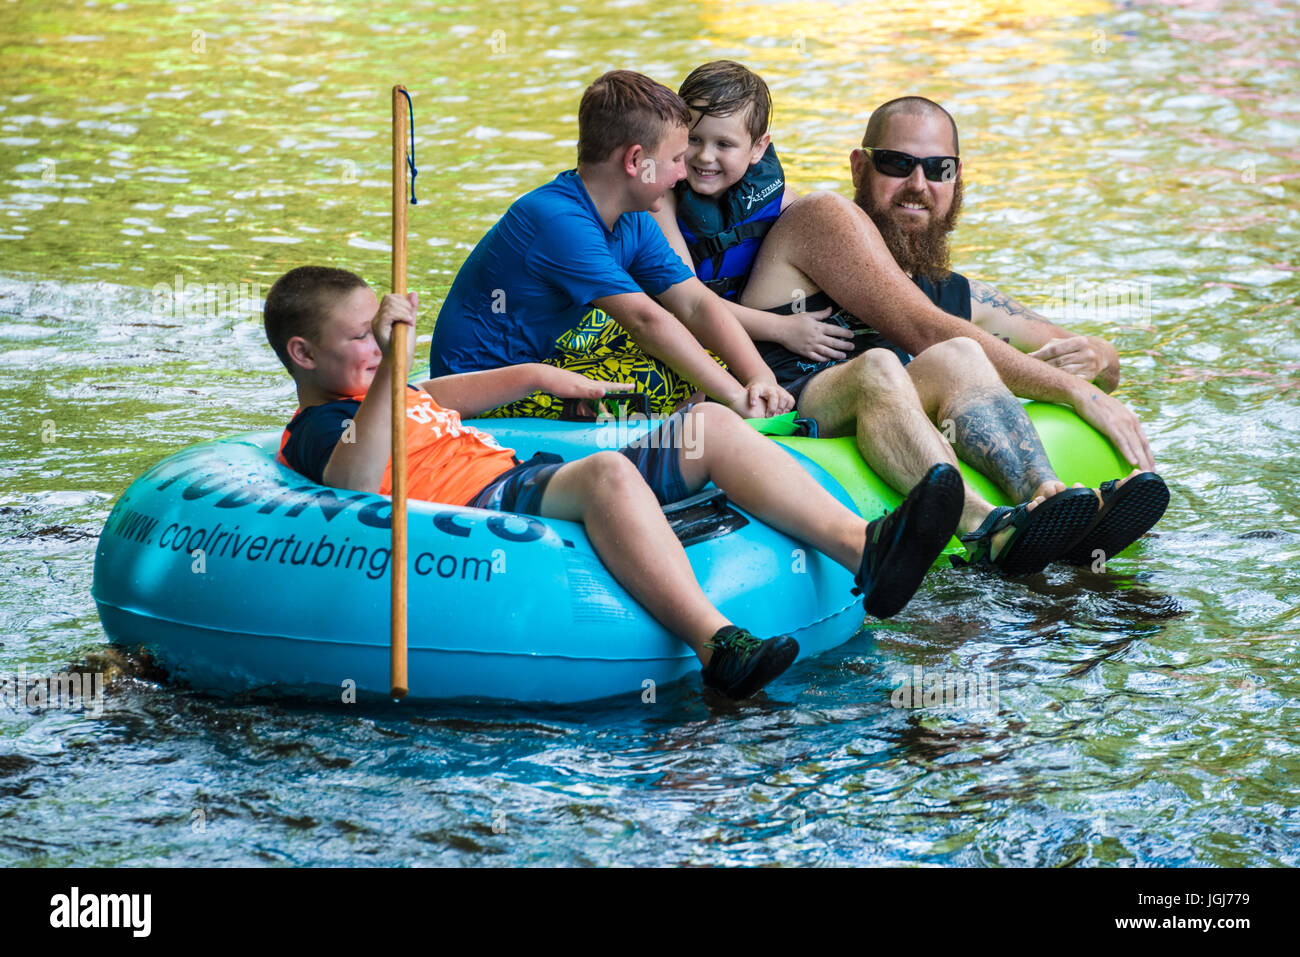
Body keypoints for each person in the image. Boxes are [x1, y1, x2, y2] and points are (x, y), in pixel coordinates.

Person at [264, 265, 964, 699]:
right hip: (482, 508)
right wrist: (392, 365)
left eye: (381, 334)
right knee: (605, 473)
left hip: (523, 477)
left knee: (711, 424)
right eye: (363, 336)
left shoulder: (400, 388)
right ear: (303, 354)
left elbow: (464, 390)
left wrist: (544, 377)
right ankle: (718, 643)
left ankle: (864, 549)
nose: (380, 345)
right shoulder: (324, 422)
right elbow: (354, 482)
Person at [652, 65, 1167, 574]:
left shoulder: (954, 291)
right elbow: (922, 328)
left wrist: (1102, 356)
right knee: (880, 366)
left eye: (938, 169)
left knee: (961, 353)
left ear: (957, 180)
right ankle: (983, 527)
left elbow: (1078, 357)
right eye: (897, 164)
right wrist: (1078, 393)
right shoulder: (820, 220)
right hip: (789, 401)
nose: (917, 184)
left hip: (872, 398)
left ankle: (1048, 498)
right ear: (860, 168)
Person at [428, 69, 794, 421]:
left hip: (545, 351)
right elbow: (644, 321)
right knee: (664, 376)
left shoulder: (633, 216)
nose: (684, 173)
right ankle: (681, 444)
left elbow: (695, 303)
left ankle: (696, 416)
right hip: (485, 390)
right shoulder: (559, 222)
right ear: (636, 161)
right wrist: (734, 397)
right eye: (676, 159)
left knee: (697, 339)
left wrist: (758, 377)